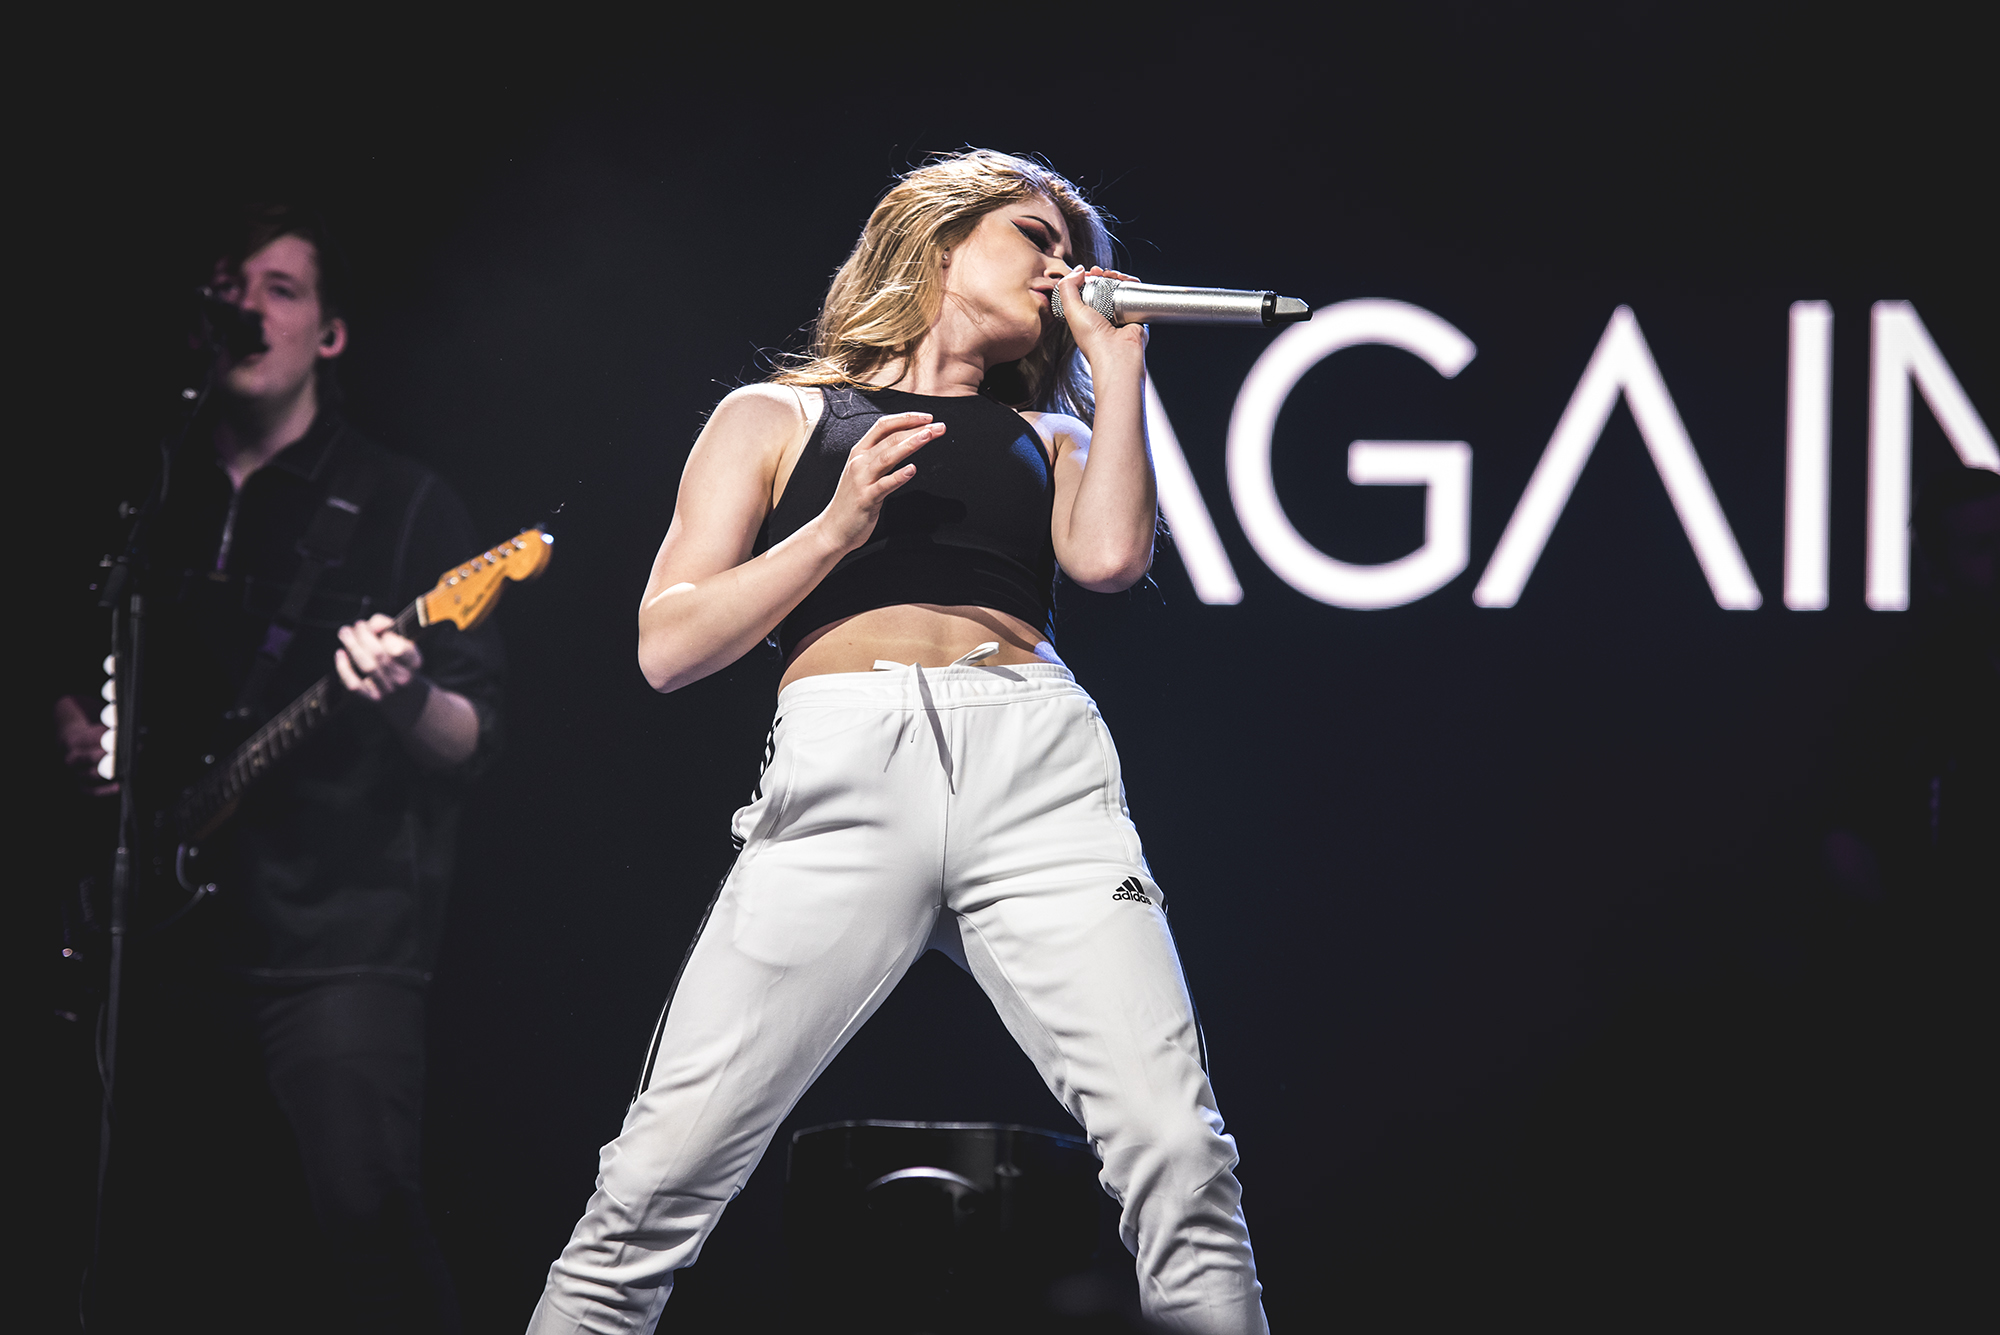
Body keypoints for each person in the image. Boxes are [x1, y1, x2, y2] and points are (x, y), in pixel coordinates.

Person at [529, 150, 1266, 1334]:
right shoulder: (774, 415)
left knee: (1179, 1151)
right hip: (842, 772)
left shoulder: (1050, 434)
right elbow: (668, 647)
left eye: (1073, 253)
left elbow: (1106, 561)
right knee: (655, 1179)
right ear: (937, 240)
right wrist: (831, 532)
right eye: (1034, 237)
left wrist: (1118, 363)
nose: (1061, 269)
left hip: (1036, 775)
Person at [54, 204, 504, 1333]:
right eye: (229, 285)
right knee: (151, 1238)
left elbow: (474, 738)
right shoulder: (149, 493)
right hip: (162, 937)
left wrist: (404, 696)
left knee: (367, 1227)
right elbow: (71, 664)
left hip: (336, 948)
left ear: (330, 334)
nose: (246, 307)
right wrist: (76, 728)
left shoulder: (404, 505)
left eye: (280, 288)